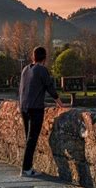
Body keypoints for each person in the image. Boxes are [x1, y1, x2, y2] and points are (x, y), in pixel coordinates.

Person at [19, 46, 63, 177]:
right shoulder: (42, 70)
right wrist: (59, 103)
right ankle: (26, 169)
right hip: (35, 108)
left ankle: (27, 167)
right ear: (44, 58)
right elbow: (49, 86)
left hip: (23, 106)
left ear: (33, 57)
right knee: (32, 139)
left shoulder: (25, 69)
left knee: (28, 138)